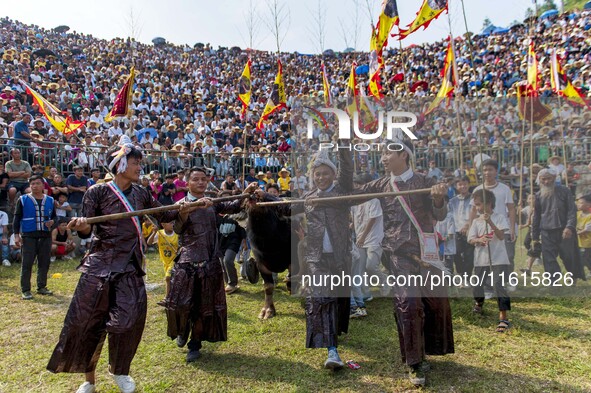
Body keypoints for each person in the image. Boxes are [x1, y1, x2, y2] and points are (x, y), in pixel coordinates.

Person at [47, 140, 178, 393]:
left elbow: (164, 214)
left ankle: (119, 370)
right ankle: (89, 380)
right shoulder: (96, 192)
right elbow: (87, 231)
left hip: (129, 266)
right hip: (100, 265)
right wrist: (82, 224)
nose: (140, 167)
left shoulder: (141, 193)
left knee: (127, 322)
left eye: (140, 162)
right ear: (120, 165)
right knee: (86, 323)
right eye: (135, 162)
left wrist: (185, 206)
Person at [357, 140, 453, 387]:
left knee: (435, 303)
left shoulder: (425, 182)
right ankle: (414, 362)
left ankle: (428, 350)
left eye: (388, 152)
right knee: (408, 304)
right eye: (382, 154)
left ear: (404, 154)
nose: (383, 158)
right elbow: (351, 194)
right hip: (398, 255)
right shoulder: (380, 184)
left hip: (428, 253)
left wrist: (440, 199)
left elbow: (440, 215)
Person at [165, 167, 249, 363]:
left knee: (204, 306)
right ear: (187, 183)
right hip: (187, 263)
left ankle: (195, 344)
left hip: (210, 262)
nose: (201, 182)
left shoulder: (213, 203)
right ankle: (182, 331)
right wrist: (186, 211)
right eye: (196, 179)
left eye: (204, 179)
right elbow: (177, 227)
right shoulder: (180, 204)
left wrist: (248, 193)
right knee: (182, 304)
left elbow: (233, 206)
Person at [468, 189, 511, 333]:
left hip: (498, 258)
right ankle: (479, 303)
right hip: (481, 259)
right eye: (476, 205)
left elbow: (500, 236)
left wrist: (490, 222)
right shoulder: (475, 221)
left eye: (479, 204)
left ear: (489, 203)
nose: (477, 208)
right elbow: (470, 239)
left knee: (498, 285)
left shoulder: (499, 218)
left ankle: (503, 317)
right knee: (477, 285)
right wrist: (479, 240)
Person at [531, 169, 585, 281]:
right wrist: (535, 236)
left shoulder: (565, 191)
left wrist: (569, 227)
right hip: (546, 231)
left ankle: (573, 277)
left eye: (548, 178)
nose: (546, 181)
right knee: (548, 258)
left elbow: (571, 211)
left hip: (564, 229)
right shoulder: (538, 195)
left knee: (568, 256)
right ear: (539, 180)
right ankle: (554, 281)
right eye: (543, 179)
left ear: (554, 178)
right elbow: (536, 216)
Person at [469, 160, 516, 288]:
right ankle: (489, 285)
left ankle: (508, 280)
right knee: (487, 257)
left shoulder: (504, 188)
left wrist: (512, 228)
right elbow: (473, 210)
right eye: (484, 170)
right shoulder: (478, 189)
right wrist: (470, 228)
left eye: (490, 169)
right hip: (483, 228)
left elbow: (511, 208)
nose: (487, 172)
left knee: (508, 256)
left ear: (496, 171)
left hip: (501, 227)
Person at [12, 175, 56, 299]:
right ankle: (25, 290)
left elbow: (55, 217)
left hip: (45, 235)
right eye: (32, 184)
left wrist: (52, 222)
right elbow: (17, 218)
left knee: (44, 263)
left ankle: (41, 286)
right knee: (27, 264)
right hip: (28, 236)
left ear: (43, 185)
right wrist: (16, 235)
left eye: (37, 183)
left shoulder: (50, 200)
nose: (34, 186)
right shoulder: (23, 199)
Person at [217, 203, 247, 294]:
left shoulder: (235, 216)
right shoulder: (215, 217)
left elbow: (242, 229)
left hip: (233, 242)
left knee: (228, 260)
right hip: (221, 244)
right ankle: (228, 283)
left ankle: (232, 283)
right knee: (223, 264)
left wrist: (244, 243)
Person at [147, 221, 179, 305]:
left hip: (175, 260)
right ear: (163, 225)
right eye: (170, 223)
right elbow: (149, 243)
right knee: (172, 279)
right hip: (165, 262)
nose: (172, 224)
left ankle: (167, 298)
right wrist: (154, 232)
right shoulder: (160, 234)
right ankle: (174, 297)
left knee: (168, 278)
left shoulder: (177, 234)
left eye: (173, 223)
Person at [448, 176, 474, 279]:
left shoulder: (473, 199)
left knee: (469, 255)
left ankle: (468, 276)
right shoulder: (452, 201)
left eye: (465, 183)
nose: (463, 186)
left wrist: (467, 225)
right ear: (456, 186)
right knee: (456, 254)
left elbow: (475, 214)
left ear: (469, 184)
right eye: (460, 184)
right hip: (456, 231)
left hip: (470, 230)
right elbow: (450, 216)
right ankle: (461, 273)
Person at [575, 194, 591, 278]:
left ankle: (579, 274)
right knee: (585, 258)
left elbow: (586, 230)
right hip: (579, 241)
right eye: (578, 202)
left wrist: (574, 234)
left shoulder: (590, 217)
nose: (578, 204)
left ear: (588, 205)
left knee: (583, 258)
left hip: (587, 242)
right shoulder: (578, 214)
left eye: (581, 203)